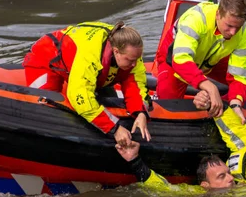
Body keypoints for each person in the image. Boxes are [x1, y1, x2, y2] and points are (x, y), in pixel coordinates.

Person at [23, 21, 151, 147]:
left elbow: (136, 85)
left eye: (136, 59)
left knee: (110, 101)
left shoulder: (131, 52)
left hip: (91, 70)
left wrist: (141, 112)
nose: (134, 63)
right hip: (46, 59)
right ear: (116, 51)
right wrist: (115, 129)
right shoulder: (91, 55)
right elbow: (80, 97)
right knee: (48, 108)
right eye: (130, 60)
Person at [155, 0, 246, 124]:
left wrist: (236, 104)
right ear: (218, 14)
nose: (233, 32)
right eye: (229, 26)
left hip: (213, 59)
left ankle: (215, 102)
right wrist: (209, 87)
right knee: (168, 106)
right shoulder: (196, 19)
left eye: (237, 27)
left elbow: (239, 76)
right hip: (174, 59)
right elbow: (181, 60)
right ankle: (209, 99)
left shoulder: (244, 32)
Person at [115, 106, 246, 193]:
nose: (231, 178)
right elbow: (163, 188)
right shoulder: (198, 194)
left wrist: (217, 107)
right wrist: (134, 160)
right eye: (221, 176)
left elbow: (244, 145)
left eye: (228, 173)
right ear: (206, 186)